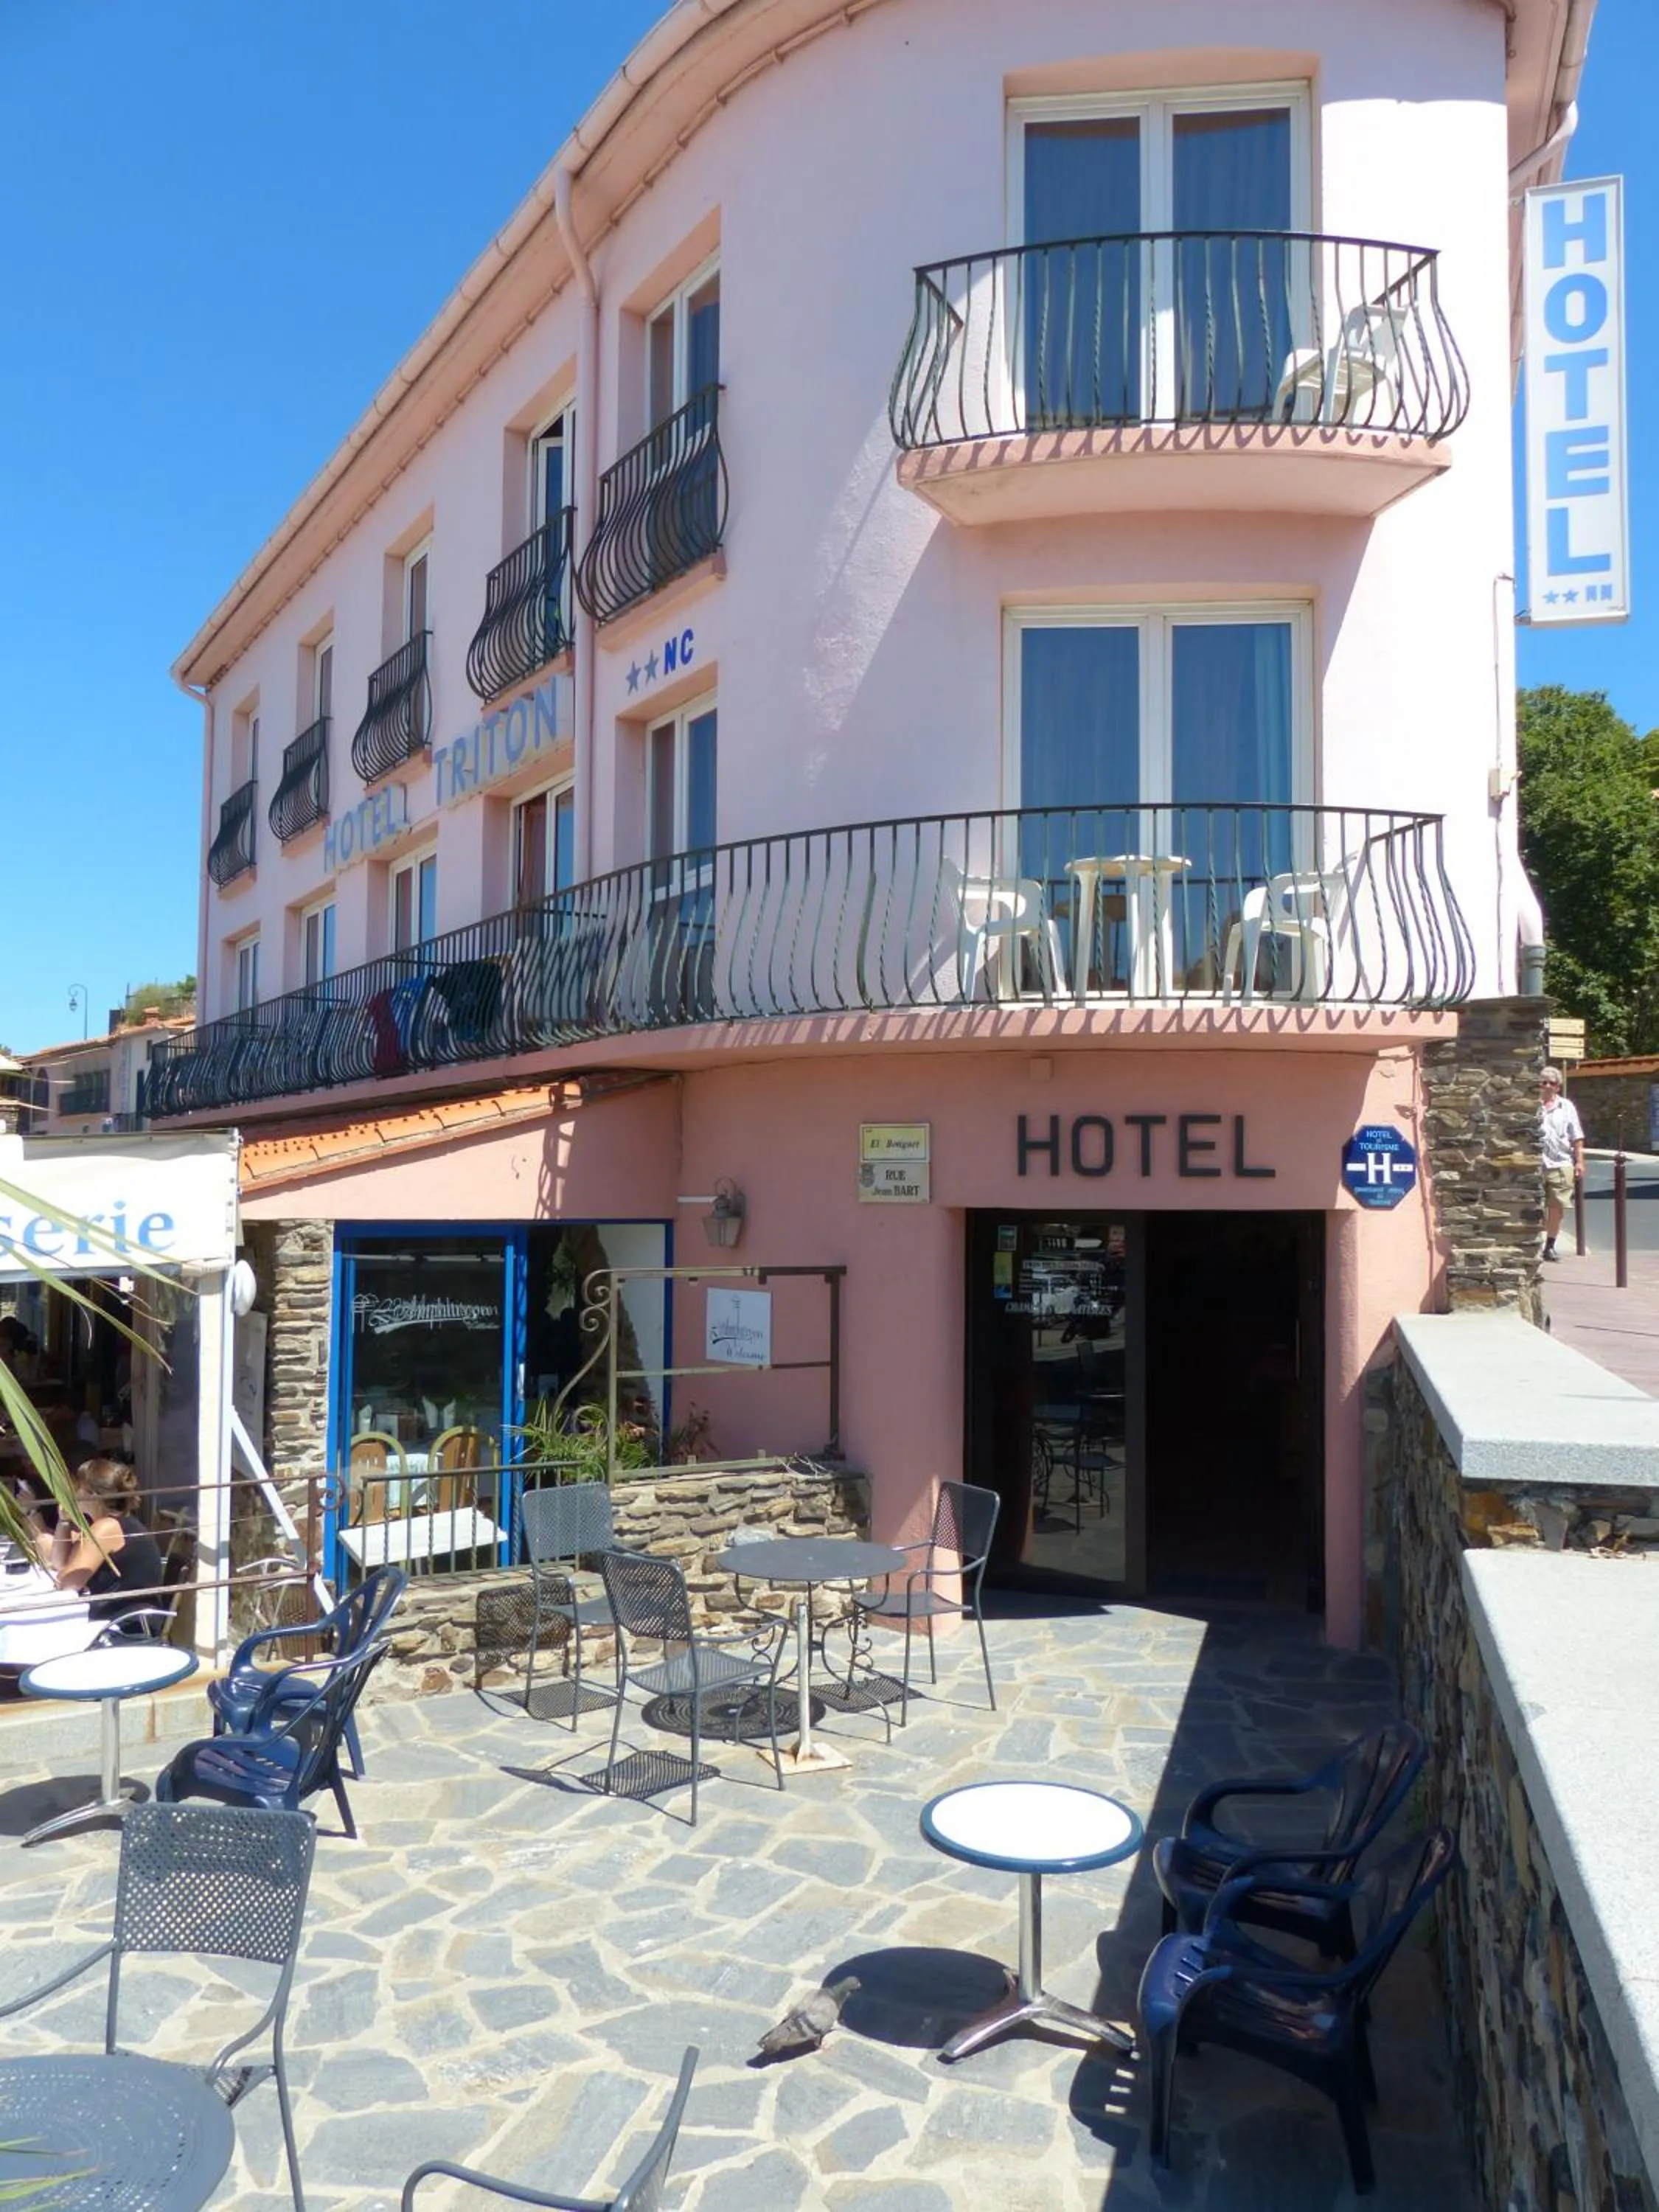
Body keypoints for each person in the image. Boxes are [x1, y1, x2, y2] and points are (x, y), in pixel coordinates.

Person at [38, 1458, 165, 1625]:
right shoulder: (102, 1524)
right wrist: (63, 1521)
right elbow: (60, 1563)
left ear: (93, 1495)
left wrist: (64, 1575)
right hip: (115, 1618)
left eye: (78, 1488)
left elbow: (69, 1583)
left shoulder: (107, 1528)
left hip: (127, 1625)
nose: (73, 1494)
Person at [1540, 1065, 1586, 1262]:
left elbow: (1577, 1136)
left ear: (1558, 1087)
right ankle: (1532, 1242)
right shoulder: (1531, 1106)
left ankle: (1550, 1245)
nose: (1548, 1086)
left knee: (1557, 1206)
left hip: (1561, 1162)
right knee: (1533, 1206)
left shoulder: (1566, 1106)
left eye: (1553, 1083)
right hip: (1536, 1163)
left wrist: (1580, 1162)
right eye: (1544, 1082)